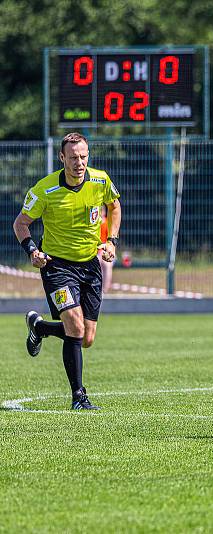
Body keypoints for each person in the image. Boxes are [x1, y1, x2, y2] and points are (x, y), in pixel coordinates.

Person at [12, 132, 121, 410]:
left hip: (89, 266)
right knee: (74, 325)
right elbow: (20, 223)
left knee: (86, 338)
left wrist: (111, 241)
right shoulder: (45, 190)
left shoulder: (100, 180)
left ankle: (40, 327)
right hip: (56, 266)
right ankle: (79, 397)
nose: (79, 162)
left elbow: (115, 205)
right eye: (73, 157)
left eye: (83, 157)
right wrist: (32, 251)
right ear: (62, 158)